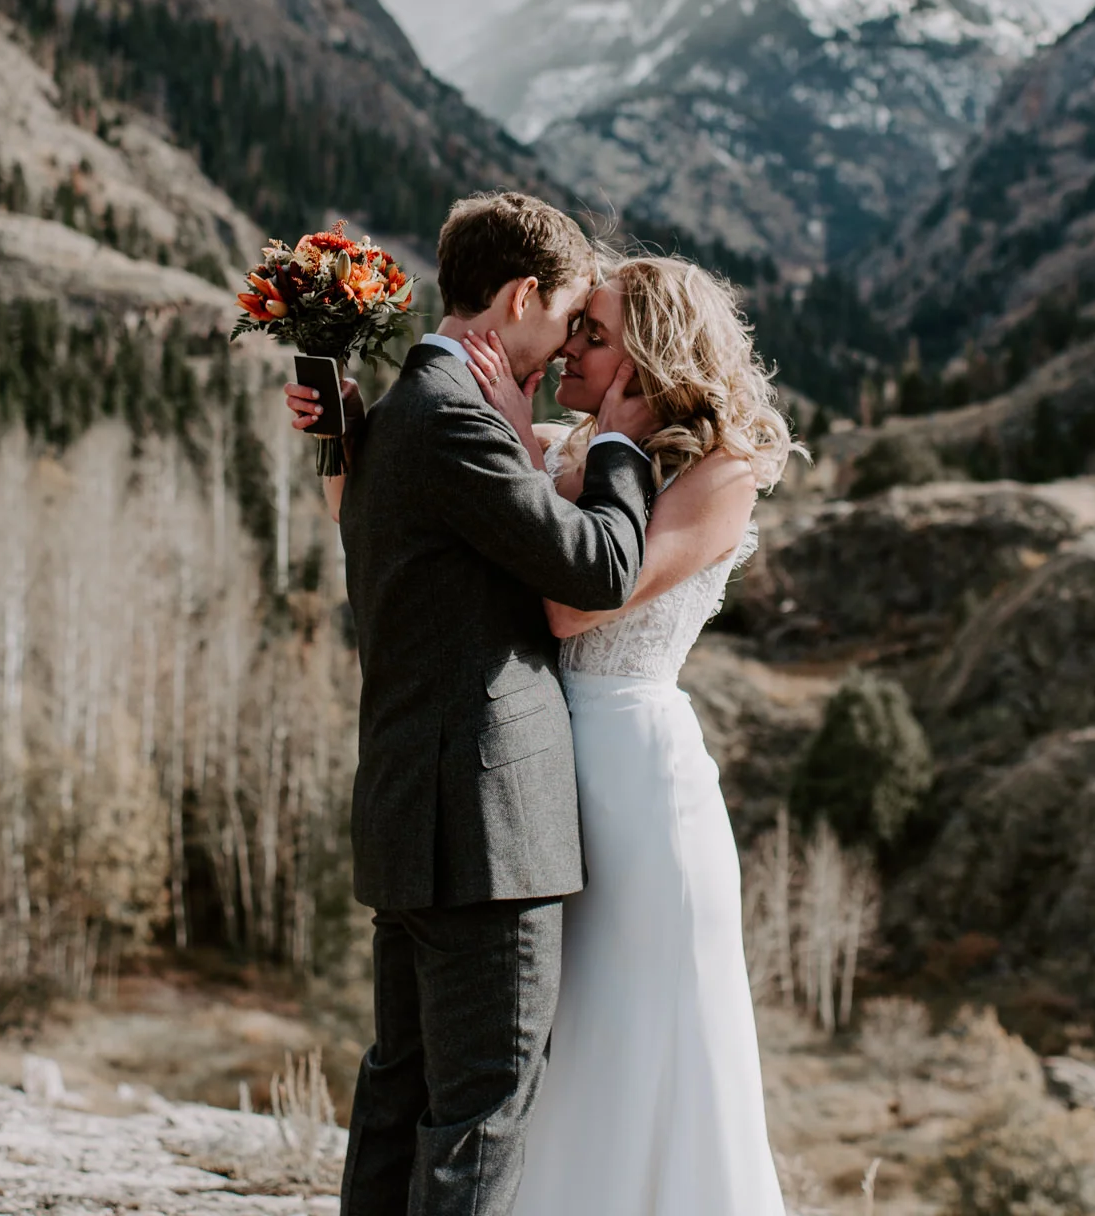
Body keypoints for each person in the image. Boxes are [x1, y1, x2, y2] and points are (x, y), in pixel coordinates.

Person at [291, 246, 799, 1216]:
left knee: (637, 1044)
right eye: (574, 326)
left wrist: (522, 446)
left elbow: (576, 607)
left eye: (594, 336)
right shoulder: (569, 447)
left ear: (648, 359)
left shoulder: (722, 472)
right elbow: (404, 540)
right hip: (536, 779)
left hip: (638, 786)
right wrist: (354, 444)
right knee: (541, 1059)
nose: (570, 348)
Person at [295, 192, 660, 1216]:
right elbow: (596, 569)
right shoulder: (454, 422)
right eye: (568, 318)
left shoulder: (401, 420)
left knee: (399, 1093)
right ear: (521, 296)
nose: (568, 347)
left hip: (416, 813)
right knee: (482, 1114)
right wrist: (622, 445)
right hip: (485, 833)